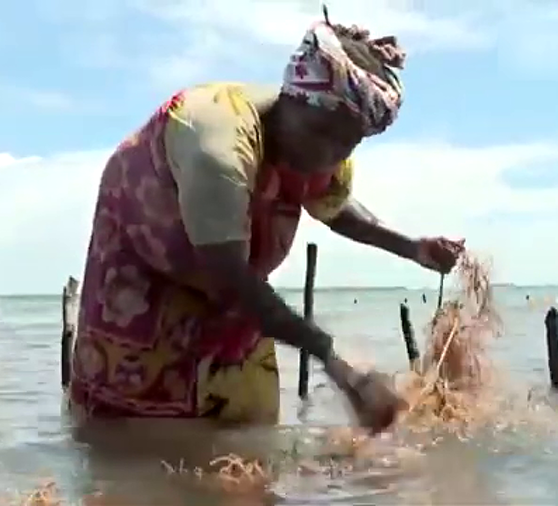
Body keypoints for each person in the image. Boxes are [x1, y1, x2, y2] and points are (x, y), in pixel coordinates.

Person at [69, 11, 465, 434]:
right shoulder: (217, 149)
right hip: (147, 281)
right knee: (137, 452)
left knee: (249, 449)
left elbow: (335, 205)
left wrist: (414, 248)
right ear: (290, 99)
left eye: (345, 143)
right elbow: (232, 281)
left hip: (241, 298)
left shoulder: (319, 144)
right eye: (319, 133)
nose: (326, 155)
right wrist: (337, 363)